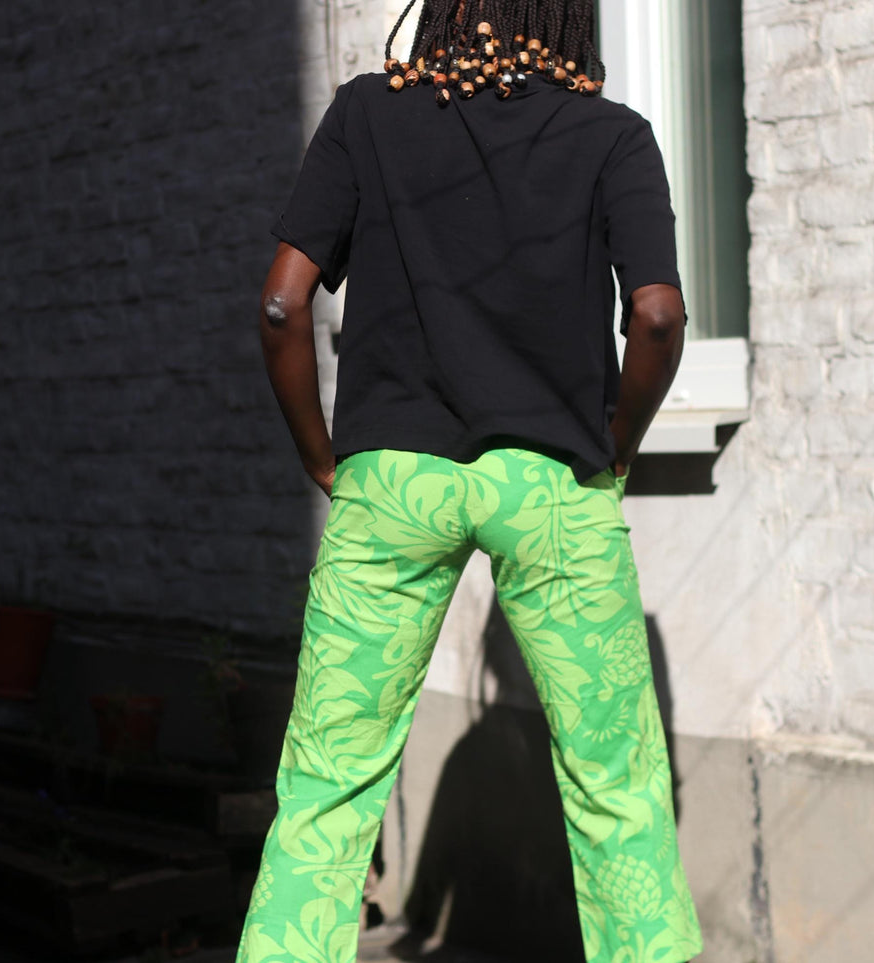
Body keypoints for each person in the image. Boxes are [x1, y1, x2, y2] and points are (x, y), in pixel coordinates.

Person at [239, 0, 705, 960]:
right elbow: (656, 315)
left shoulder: (368, 114)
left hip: (392, 483)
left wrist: (320, 455)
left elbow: (283, 305)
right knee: (616, 784)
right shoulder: (613, 136)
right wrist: (616, 445)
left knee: (326, 786)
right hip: (553, 485)